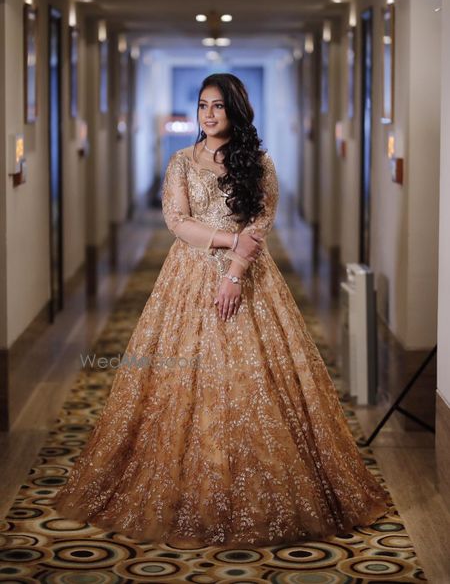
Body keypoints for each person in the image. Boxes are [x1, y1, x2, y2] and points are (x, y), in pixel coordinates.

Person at [54, 73, 390, 549]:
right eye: (202, 105)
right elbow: (177, 222)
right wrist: (228, 240)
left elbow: (262, 222)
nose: (209, 115)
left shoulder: (259, 162)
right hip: (188, 276)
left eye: (218, 107)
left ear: (235, 111)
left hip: (249, 277)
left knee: (256, 379)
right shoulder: (180, 162)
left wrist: (233, 273)